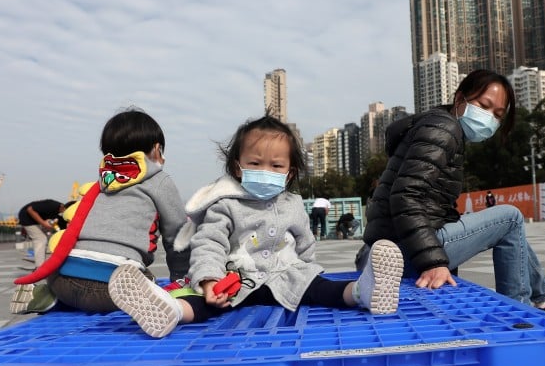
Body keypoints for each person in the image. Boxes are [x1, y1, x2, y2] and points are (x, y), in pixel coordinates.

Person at [106, 115, 404, 338]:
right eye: (255, 163)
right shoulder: (225, 203)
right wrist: (209, 280)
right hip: (236, 282)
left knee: (322, 289)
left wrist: (309, 270)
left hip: (286, 277)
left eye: (276, 166)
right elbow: (209, 243)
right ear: (238, 166)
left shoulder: (293, 203)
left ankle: (364, 291)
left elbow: (305, 244)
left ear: (290, 172)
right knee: (203, 303)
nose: (266, 172)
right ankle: (168, 310)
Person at [360, 69, 545, 315]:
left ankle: (544, 295)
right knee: (510, 217)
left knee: (507, 226)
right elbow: (406, 196)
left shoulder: (435, 124)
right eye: (484, 105)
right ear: (460, 99)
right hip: (399, 255)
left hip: (382, 251)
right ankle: (521, 310)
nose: (489, 118)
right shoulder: (445, 128)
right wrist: (434, 262)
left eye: (498, 115)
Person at [11, 108, 190, 315]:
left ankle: (47, 296)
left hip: (60, 278)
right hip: (110, 288)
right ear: (157, 149)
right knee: (147, 283)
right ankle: (145, 304)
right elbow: (177, 235)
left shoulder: (102, 184)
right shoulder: (159, 180)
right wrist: (180, 277)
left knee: (84, 285)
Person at [18, 198, 66, 267]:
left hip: (35, 221)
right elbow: (30, 209)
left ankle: (41, 259)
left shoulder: (59, 215)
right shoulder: (53, 205)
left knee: (46, 238)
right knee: (41, 239)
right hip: (26, 217)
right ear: (63, 207)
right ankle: (39, 266)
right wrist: (43, 223)